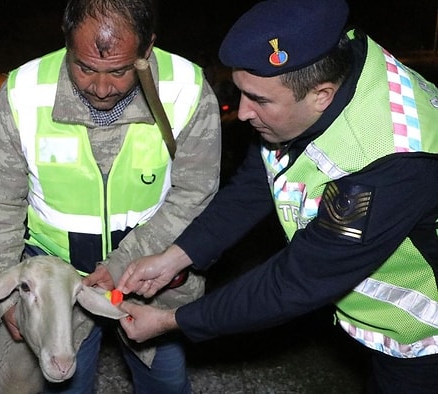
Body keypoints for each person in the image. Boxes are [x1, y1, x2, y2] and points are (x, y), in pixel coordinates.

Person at [115, 0, 438, 392]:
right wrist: (177, 256)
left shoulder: (384, 165)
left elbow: (294, 281)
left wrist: (172, 321)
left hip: (423, 340)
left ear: (322, 94)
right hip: (381, 329)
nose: (245, 113)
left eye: (259, 101)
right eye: (241, 93)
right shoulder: (328, 61)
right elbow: (259, 179)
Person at [0, 0, 222, 392]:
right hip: (56, 285)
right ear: (66, 42)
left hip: (151, 281)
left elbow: (195, 193)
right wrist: (6, 297)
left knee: (165, 383)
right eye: (85, 67)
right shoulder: (22, 93)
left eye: (120, 71)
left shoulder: (186, 90)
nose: (101, 88)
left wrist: (124, 262)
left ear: (147, 48)